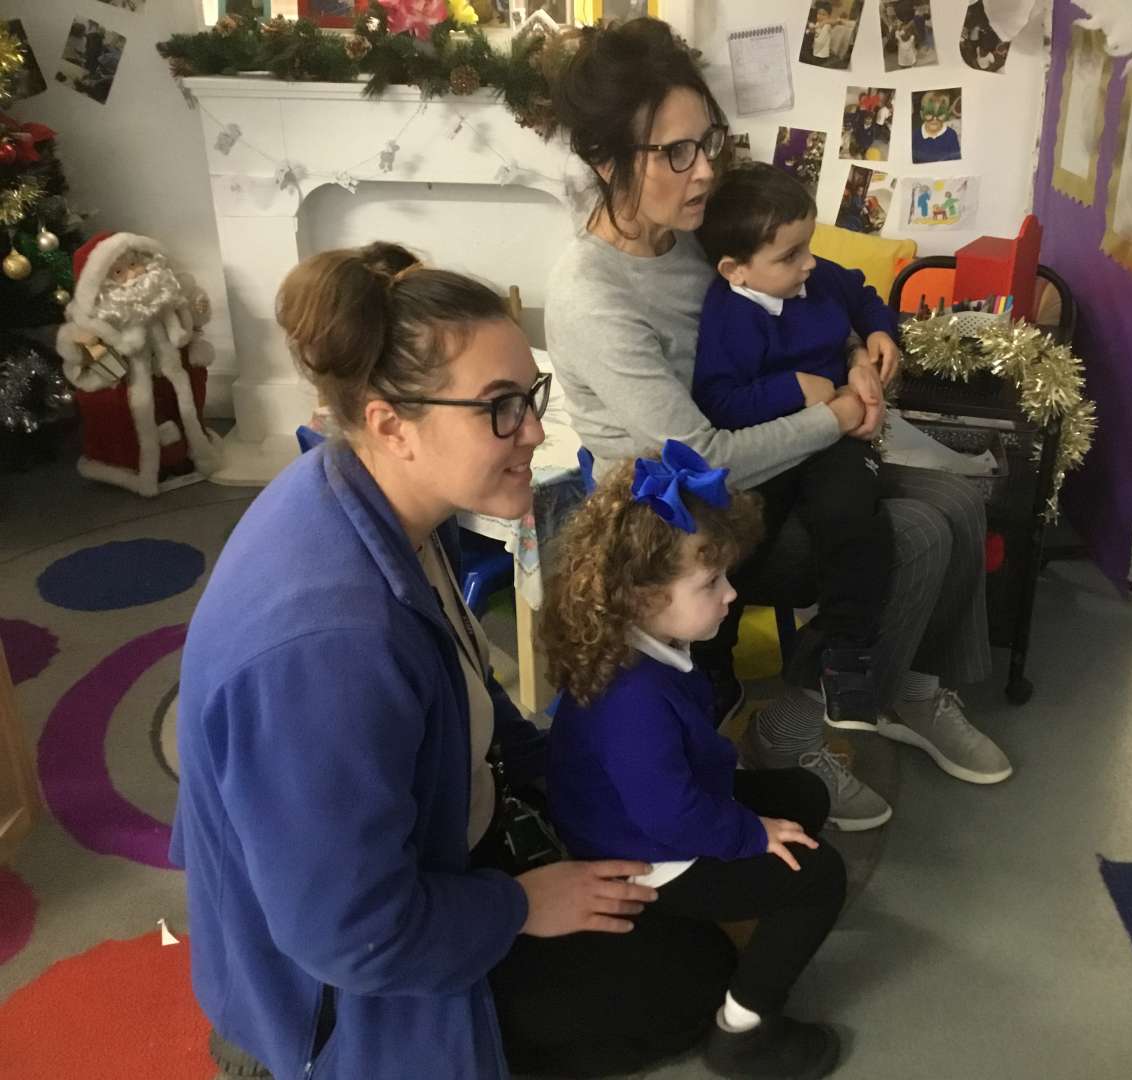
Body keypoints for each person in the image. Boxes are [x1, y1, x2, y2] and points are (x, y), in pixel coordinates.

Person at [171, 241, 738, 1080]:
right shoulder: (329, 648)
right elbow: (352, 935)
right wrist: (519, 904)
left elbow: (466, 683)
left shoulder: (375, 494)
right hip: (337, 987)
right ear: (390, 424)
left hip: (428, 853)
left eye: (531, 396)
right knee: (693, 980)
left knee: (668, 913)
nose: (534, 430)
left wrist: (561, 773)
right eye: (499, 408)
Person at [545, 18, 1012, 839]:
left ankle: (907, 684)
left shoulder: (694, 235)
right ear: (608, 161)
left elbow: (801, 293)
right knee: (912, 534)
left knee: (960, 501)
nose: (704, 170)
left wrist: (859, 353)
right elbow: (706, 460)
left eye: (708, 142)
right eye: (675, 153)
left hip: (780, 458)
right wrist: (834, 414)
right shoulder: (594, 296)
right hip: (683, 516)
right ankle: (791, 725)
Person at [543, 441, 847, 1080]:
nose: (731, 594)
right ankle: (742, 1032)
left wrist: (748, 820)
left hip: (656, 814)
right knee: (820, 876)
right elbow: (670, 815)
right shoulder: (633, 698)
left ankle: (757, 917)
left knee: (805, 797)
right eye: (711, 583)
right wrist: (749, 833)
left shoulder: (645, 647)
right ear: (642, 598)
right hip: (645, 855)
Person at [694, 162, 895, 727]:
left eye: (808, 245)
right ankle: (713, 666)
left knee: (854, 515)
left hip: (835, 442)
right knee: (739, 539)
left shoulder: (817, 279)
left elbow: (863, 294)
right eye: (790, 256)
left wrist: (879, 331)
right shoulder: (727, 317)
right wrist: (792, 388)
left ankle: (846, 654)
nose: (808, 262)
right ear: (736, 270)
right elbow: (719, 401)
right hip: (772, 448)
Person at [914, 90, 962, 163]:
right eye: (929, 113)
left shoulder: (951, 135)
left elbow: (956, 161)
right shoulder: (916, 135)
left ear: (946, 114)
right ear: (921, 114)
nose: (935, 119)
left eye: (940, 114)